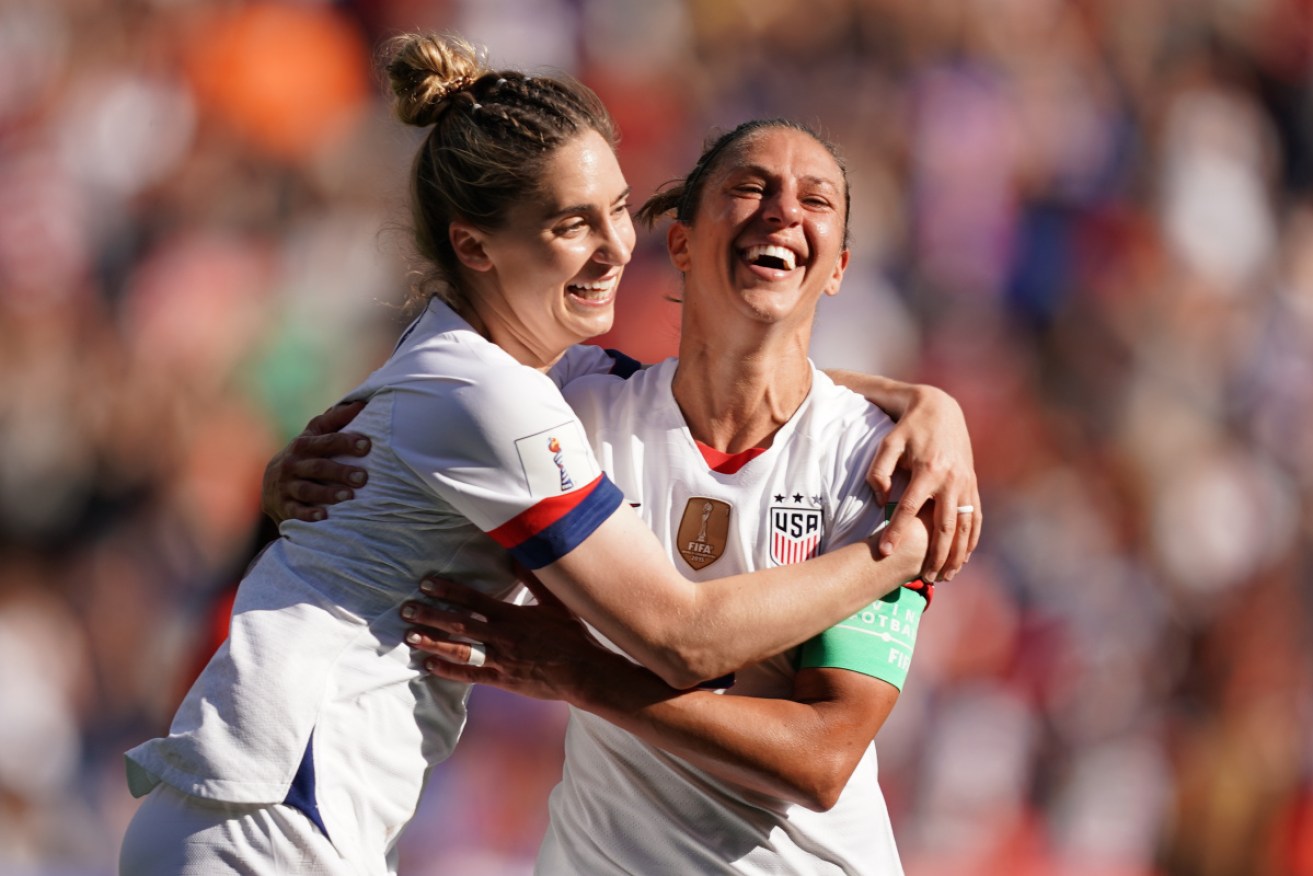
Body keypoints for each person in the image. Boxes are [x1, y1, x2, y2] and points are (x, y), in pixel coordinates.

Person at [118, 33, 967, 875]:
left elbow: (823, 757)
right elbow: (681, 638)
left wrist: (928, 402)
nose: (612, 245)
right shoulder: (541, 405)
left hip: (280, 805)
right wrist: (900, 554)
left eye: (614, 211)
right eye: (571, 223)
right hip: (278, 811)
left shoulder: (878, 457)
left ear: (840, 267)